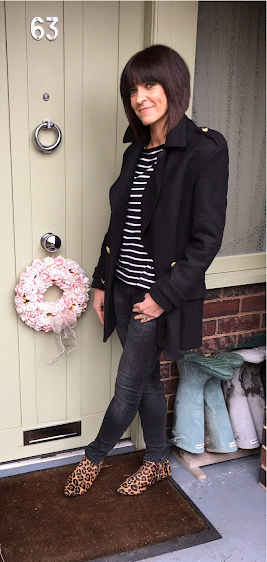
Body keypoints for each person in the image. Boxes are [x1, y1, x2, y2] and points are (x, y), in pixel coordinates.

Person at [64, 44, 229, 497]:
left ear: (174, 86)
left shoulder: (204, 150)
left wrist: (163, 297)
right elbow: (118, 226)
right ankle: (157, 459)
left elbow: (206, 240)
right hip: (120, 285)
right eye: (132, 90)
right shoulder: (136, 151)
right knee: (149, 380)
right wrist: (101, 282)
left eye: (150, 85)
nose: (140, 98)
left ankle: (92, 458)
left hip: (154, 296)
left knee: (127, 389)